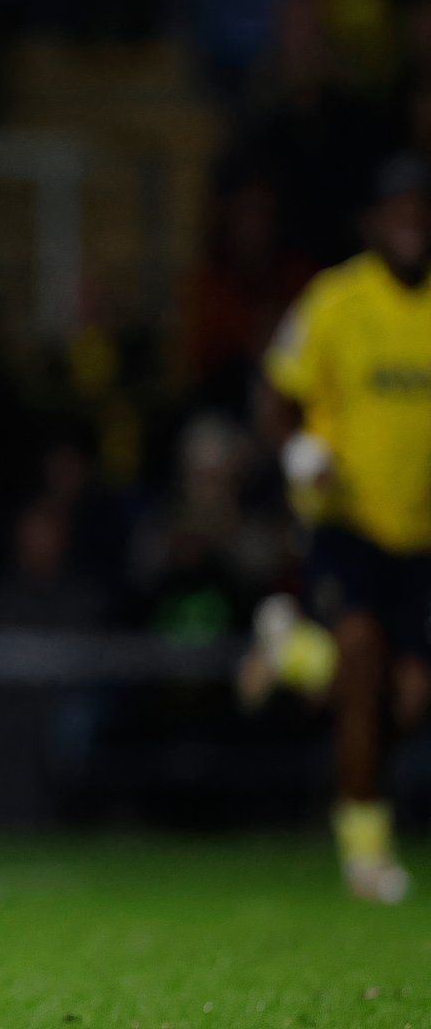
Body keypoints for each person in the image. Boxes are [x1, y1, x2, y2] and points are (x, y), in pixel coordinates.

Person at [263, 153, 431, 904]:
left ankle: (294, 653)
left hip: (419, 535)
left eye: (419, 210)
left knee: (404, 697)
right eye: (397, 210)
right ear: (372, 222)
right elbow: (277, 393)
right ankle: (366, 847)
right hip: (346, 523)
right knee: (362, 658)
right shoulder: (334, 302)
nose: (410, 224)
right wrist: (302, 454)